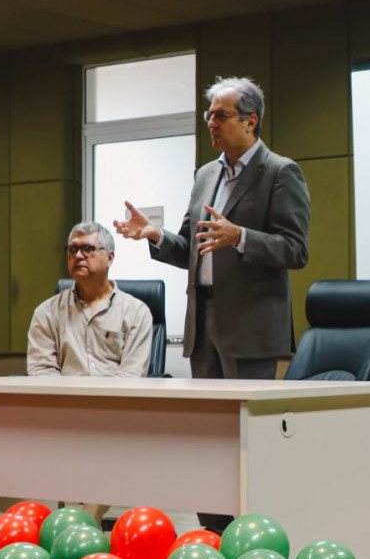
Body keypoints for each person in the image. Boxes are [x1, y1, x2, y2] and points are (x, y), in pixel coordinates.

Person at [113, 76, 310, 381]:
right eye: (209, 115)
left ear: (250, 121)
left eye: (221, 115)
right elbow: (192, 250)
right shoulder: (206, 175)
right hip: (202, 323)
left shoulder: (279, 172)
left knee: (242, 425)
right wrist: (156, 235)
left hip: (250, 330)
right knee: (208, 422)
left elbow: (295, 250)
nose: (211, 123)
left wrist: (240, 237)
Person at [27, 221, 153, 377]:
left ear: (109, 258)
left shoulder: (136, 313)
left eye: (88, 249)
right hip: (65, 399)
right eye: (73, 249)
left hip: (116, 399)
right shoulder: (46, 313)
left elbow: (132, 375)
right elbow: (42, 371)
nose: (78, 256)